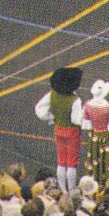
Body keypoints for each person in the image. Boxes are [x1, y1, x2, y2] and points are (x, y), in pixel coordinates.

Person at [34, 66, 83, 195]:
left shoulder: (52, 95)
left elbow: (40, 110)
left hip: (59, 129)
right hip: (72, 132)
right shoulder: (75, 100)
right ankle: (71, 188)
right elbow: (76, 120)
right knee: (71, 162)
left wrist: (52, 118)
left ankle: (62, 188)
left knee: (61, 161)